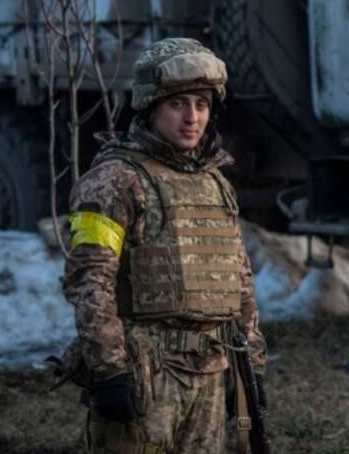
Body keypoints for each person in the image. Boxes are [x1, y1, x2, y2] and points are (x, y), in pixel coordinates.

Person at [62, 37, 267, 454]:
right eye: (178, 105)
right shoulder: (113, 180)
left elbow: (239, 282)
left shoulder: (215, 184)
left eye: (202, 105)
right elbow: (91, 281)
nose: (193, 118)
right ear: (151, 107)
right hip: (143, 372)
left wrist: (252, 369)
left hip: (211, 368)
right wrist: (109, 371)